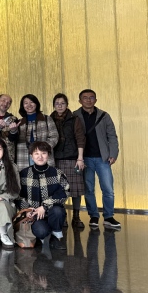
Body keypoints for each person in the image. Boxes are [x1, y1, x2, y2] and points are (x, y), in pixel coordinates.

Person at [74, 89, 120, 230]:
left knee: (108, 189)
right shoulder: (75, 116)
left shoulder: (104, 116)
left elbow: (112, 136)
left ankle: (108, 216)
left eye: (91, 97)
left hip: (102, 158)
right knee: (89, 189)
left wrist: (113, 153)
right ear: (80, 101)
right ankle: (93, 216)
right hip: (84, 159)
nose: (88, 100)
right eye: (85, 98)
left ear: (96, 100)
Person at [18, 141, 70, 250]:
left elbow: (65, 191)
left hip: (52, 212)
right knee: (41, 230)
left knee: (58, 211)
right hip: (34, 215)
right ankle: (49, 237)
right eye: (36, 153)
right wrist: (27, 209)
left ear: (48, 155)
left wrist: (45, 206)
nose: (40, 156)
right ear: (31, 156)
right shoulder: (24, 174)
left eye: (43, 153)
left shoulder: (57, 173)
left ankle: (55, 235)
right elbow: (18, 196)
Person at [50, 93, 86, 228]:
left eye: (62, 103)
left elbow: (80, 138)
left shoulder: (74, 119)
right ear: (53, 105)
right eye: (57, 103)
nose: (60, 106)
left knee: (76, 189)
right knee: (59, 189)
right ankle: (62, 216)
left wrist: (80, 158)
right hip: (56, 159)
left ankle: (76, 216)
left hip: (73, 158)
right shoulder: (50, 119)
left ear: (67, 105)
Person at [15, 94, 59, 171]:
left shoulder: (46, 119)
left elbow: (54, 136)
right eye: (26, 103)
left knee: (45, 176)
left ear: (36, 104)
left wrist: (42, 148)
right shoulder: (19, 122)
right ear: (23, 106)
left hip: (43, 155)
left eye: (31, 102)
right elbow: (14, 140)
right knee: (26, 176)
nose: (29, 105)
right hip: (24, 157)